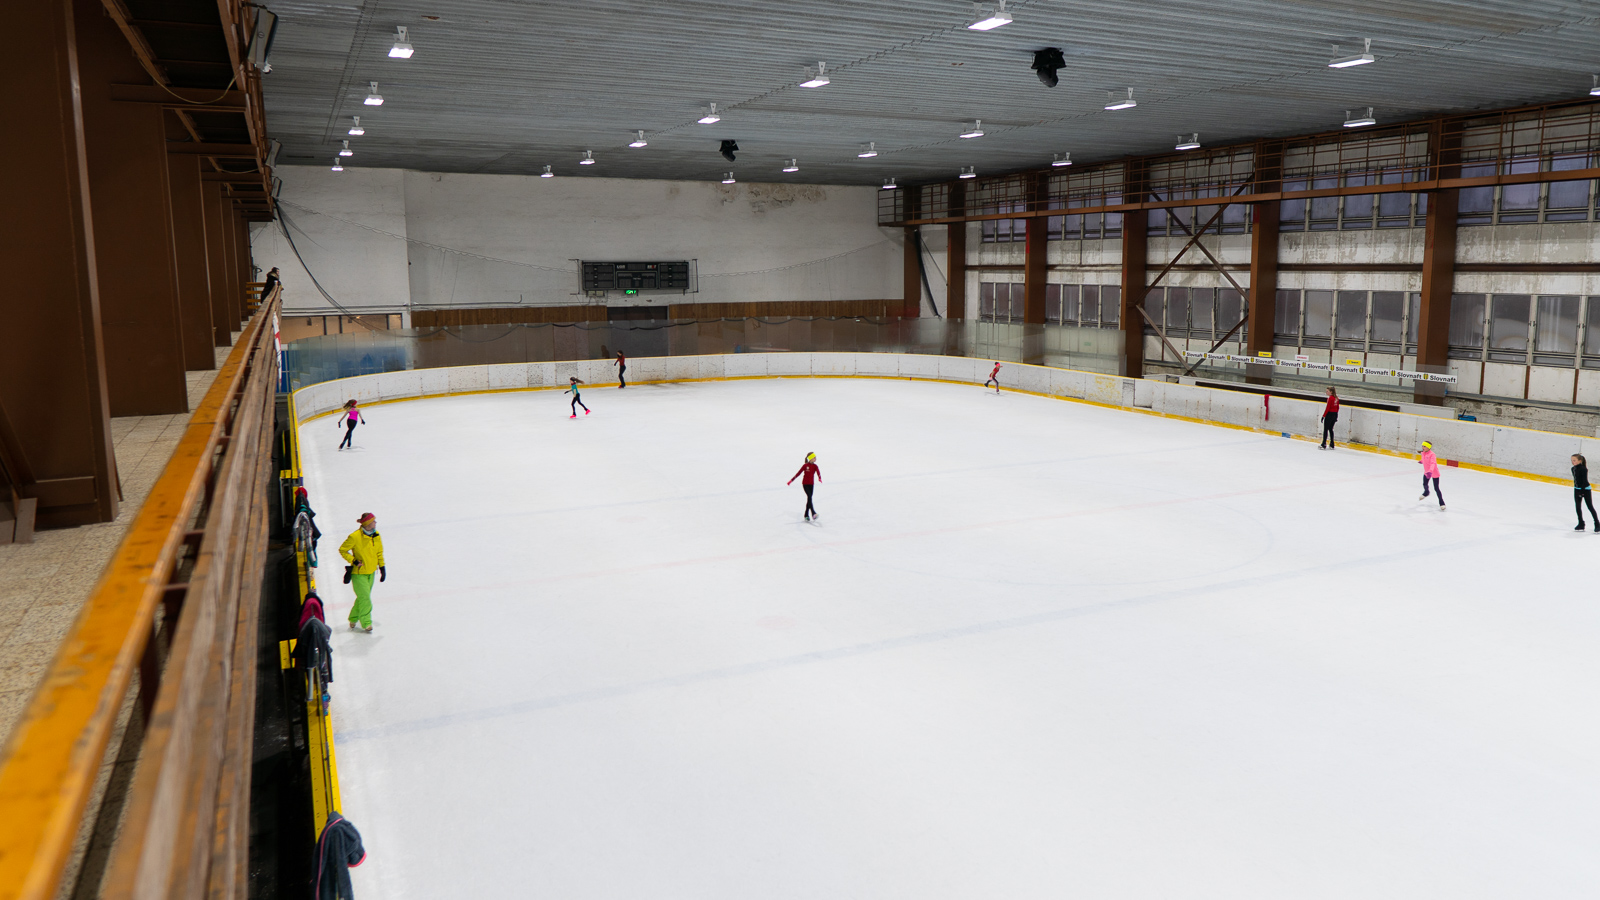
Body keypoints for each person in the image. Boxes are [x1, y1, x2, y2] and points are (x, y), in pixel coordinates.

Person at [338, 513, 386, 632]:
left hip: (371, 573)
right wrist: (353, 561)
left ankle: (353, 618)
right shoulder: (355, 537)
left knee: (362, 598)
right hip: (358, 574)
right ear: (367, 523)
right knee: (365, 598)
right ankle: (366, 623)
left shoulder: (376, 535)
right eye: (373, 521)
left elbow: (379, 552)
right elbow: (342, 550)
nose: (375, 523)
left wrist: (382, 567)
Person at [787, 452, 821, 521]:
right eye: (814, 457)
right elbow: (798, 473)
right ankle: (813, 513)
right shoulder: (805, 466)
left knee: (809, 498)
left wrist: (819, 478)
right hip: (805, 484)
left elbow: (818, 472)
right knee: (809, 497)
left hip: (811, 484)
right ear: (810, 459)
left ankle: (806, 514)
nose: (815, 458)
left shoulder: (815, 466)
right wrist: (791, 480)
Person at [1573, 454, 1598, 531]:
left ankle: (1597, 524)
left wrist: (1582, 491)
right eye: (1572, 460)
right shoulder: (1573, 469)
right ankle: (1581, 523)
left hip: (1585, 489)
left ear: (1580, 461)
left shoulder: (1583, 469)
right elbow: (1576, 480)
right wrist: (1577, 490)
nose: (1572, 462)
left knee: (1590, 506)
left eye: (1574, 460)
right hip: (1577, 489)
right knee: (1578, 507)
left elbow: (1584, 481)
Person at [1418, 441, 1445, 510]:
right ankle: (1426, 492)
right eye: (1422, 446)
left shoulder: (1432, 454)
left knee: (1436, 488)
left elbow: (1433, 463)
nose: (1423, 447)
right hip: (1427, 472)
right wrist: (1422, 461)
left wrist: (1430, 471)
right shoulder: (1423, 453)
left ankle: (1442, 503)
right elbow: (1424, 458)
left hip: (1434, 472)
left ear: (1428, 447)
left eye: (1424, 446)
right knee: (1425, 484)